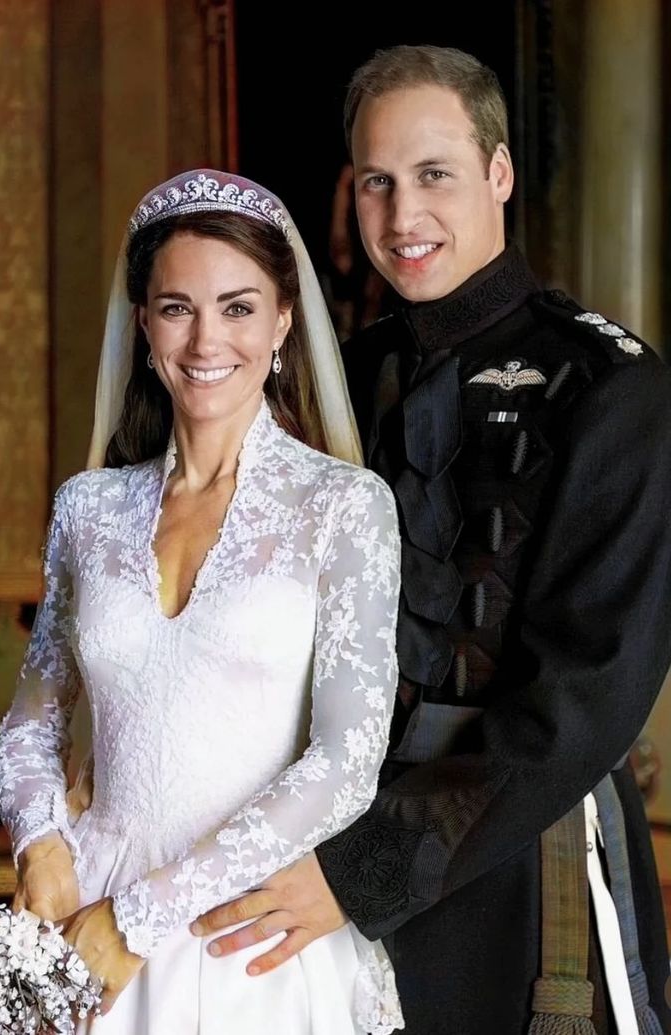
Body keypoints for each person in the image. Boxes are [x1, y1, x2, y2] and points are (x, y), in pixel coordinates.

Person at [190, 46, 671, 1035]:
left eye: (433, 175)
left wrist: (360, 873)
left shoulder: (610, 389)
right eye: (377, 182)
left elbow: (585, 699)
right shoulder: (324, 384)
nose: (402, 217)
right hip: (313, 840)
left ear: (497, 173)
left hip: (522, 866)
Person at [0, 169, 405, 1034]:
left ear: (285, 320)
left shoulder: (343, 507)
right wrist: (41, 845)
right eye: (177, 306)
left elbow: (345, 762)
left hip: (243, 933)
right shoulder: (89, 509)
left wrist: (139, 919)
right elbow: (34, 720)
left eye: (239, 307)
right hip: (84, 917)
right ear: (143, 325)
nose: (206, 337)